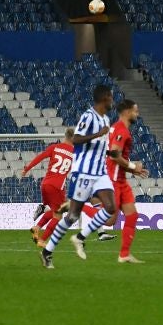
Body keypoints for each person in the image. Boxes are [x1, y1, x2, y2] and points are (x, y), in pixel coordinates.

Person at [41, 84, 116, 270]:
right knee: (72, 216)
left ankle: (80, 237)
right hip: (83, 172)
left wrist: (112, 155)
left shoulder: (106, 118)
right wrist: (98, 133)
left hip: (100, 172)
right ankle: (47, 251)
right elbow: (76, 140)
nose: (113, 100)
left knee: (111, 207)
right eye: (111, 97)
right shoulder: (88, 116)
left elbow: (99, 147)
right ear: (104, 98)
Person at [108, 99, 150, 264]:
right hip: (113, 179)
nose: (137, 114)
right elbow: (114, 154)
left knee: (132, 215)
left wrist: (133, 170)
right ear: (126, 112)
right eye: (135, 111)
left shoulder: (120, 129)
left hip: (121, 179)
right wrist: (133, 165)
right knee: (110, 220)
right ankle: (79, 206)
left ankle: (124, 254)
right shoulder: (120, 130)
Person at [23, 129, 75, 246]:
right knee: (58, 215)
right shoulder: (74, 153)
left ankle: (37, 227)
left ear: (65, 136)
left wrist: (27, 169)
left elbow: (40, 157)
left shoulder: (54, 147)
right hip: (57, 187)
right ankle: (42, 240)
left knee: (54, 211)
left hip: (45, 184)